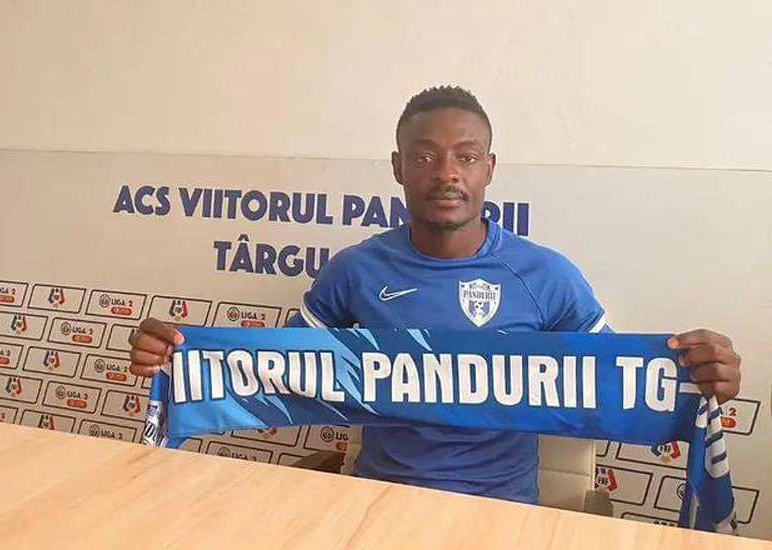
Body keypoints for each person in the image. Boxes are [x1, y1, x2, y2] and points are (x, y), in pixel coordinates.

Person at [129, 86, 741, 504]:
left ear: (488, 169)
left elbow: (625, 380)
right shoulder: (355, 271)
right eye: (425, 157)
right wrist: (180, 355)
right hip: (379, 500)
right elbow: (272, 369)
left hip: (502, 513)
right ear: (398, 167)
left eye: (465, 157)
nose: (447, 172)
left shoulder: (546, 276)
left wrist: (699, 376)